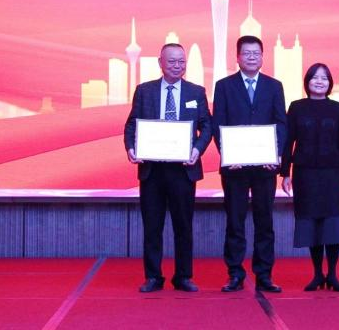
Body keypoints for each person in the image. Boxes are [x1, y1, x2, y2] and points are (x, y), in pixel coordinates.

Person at [123, 43, 212, 293]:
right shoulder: (144, 91)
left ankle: (183, 276)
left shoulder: (196, 92)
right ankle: (153, 276)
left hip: (183, 169)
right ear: (160, 63)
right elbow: (131, 125)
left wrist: (197, 150)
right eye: (172, 61)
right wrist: (131, 148)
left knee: (183, 225)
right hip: (152, 170)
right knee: (152, 226)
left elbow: (207, 126)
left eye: (181, 61)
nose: (177, 66)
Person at [212, 35, 287, 293]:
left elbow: (281, 123)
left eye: (256, 53)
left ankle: (264, 274)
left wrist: (276, 154)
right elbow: (218, 123)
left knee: (265, 222)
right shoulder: (224, 86)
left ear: (263, 57)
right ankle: (235, 273)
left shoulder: (274, 86)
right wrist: (227, 153)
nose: (252, 57)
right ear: (238, 57)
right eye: (247, 53)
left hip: (265, 168)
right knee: (235, 221)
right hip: (235, 168)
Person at [280, 63, 339, 292]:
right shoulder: (296, 107)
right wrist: (285, 173)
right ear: (307, 82)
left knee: (332, 223)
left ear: (330, 83)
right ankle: (317, 274)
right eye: (315, 77)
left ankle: (332, 274)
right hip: (304, 175)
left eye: (324, 78)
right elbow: (288, 142)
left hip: (332, 175)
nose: (319, 81)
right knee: (311, 223)